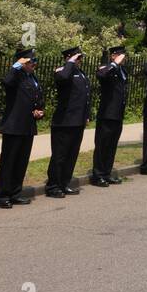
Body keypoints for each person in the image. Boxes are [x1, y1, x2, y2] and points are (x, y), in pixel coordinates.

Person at [0, 48, 43, 208]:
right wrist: (16, 66)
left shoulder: (32, 77)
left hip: (28, 126)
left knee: (21, 162)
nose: (33, 64)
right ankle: (3, 195)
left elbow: (37, 98)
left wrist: (39, 110)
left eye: (34, 61)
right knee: (9, 162)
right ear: (22, 63)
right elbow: (7, 82)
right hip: (13, 126)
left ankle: (15, 193)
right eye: (30, 62)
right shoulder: (15, 76)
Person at [46, 46, 91, 198]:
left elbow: (84, 97)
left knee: (72, 155)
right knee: (60, 155)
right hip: (64, 122)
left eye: (80, 58)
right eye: (77, 58)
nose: (79, 61)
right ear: (68, 58)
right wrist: (70, 63)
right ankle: (53, 186)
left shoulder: (80, 73)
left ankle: (64, 183)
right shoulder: (61, 71)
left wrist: (86, 115)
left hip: (77, 121)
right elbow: (64, 78)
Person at [92, 45, 128, 186]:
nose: (123, 58)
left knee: (112, 145)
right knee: (102, 144)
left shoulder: (122, 70)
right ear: (113, 56)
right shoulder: (106, 67)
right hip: (107, 113)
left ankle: (106, 172)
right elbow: (101, 75)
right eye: (120, 55)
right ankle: (98, 175)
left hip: (117, 114)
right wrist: (114, 63)